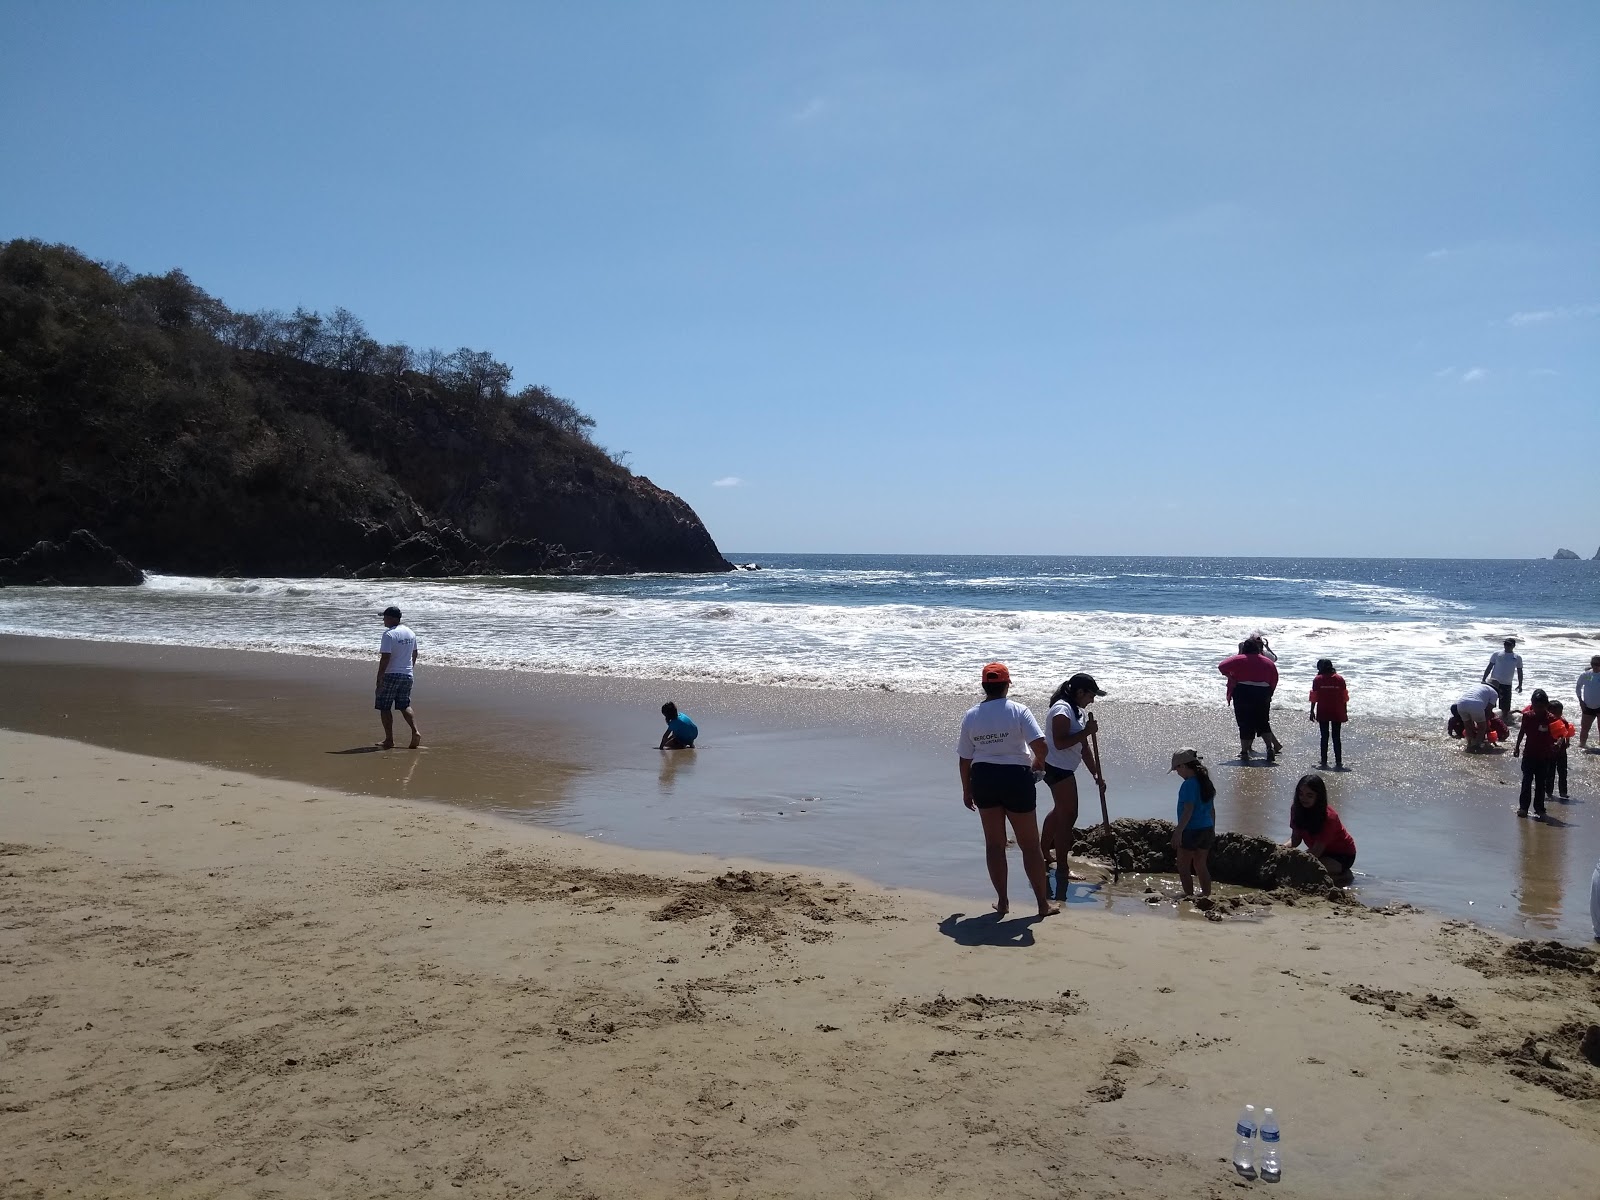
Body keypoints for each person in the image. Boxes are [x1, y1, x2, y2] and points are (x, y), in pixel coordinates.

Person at [957, 663, 1058, 918]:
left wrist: (966, 790)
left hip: (984, 777)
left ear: (984, 686)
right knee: (1029, 845)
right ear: (1007, 685)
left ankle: (1003, 903)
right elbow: (1041, 745)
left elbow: (964, 759)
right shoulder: (1018, 710)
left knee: (994, 844)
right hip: (1015, 777)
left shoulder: (972, 715)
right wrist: (1038, 764)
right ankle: (1042, 905)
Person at [1039, 672, 1106, 900]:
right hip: (1055, 767)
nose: (1092, 700)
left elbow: (1083, 747)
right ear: (1079, 692)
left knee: (1061, 811)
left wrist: (1096, 774)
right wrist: (1087, 731)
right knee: (1068, 816)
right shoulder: (1061, 710)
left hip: (1062, 767)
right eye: (1091, 695)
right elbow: (1059, 743)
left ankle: (1044, 853)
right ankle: (1062, 869)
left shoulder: (1075, 710)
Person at [1286, 774, 1357, 885]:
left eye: (1309, 795)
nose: (1303, 798)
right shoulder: (1296, 809)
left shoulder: (1329, 817)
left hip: (1341, 854)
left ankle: (1343, 876)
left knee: (1307, 870)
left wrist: (1296, 862)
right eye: (1301, 794)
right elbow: (1295, 839)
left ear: (1318, 797)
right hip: (1318, 850)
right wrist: (1280, 850)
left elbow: (1316, 852)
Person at [1218, 637, 1280, 762]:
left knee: (1244, 722)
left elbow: (1221, 666)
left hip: (1243, 691)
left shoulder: (1239, 659)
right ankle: (1269, 748)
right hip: (1263, 692)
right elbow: (1274, 679)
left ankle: (1244, 752)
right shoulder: (1267, 662)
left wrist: (1231, 676)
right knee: (1263, 722)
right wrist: (1270, 693)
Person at [1169, 748, 1216, 900]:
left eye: (1177, 769)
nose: (1177, 773)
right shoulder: (1206, 782)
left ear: (1183, 766)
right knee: (1200, 864)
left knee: (1183, 865)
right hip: (1207, 828)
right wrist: (1213, 829)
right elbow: (1212, 810)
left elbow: (1188, 809)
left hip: (1191, 830)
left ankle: (1188, 894)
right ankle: (1206, 894)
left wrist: (1178, 832)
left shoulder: (1189, 784)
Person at [375, 605, 421, 749]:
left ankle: (389, 740)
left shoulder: (389, 634)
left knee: (384, 707)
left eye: (385, 617)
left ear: (391, 618)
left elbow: (385, 658)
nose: (383, 620)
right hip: (407, 675)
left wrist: (379, 678)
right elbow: (415, 653)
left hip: (391, 674)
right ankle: (415, 731)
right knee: (404, 705)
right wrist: (409, 669)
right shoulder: (410, 632)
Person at [1512, 689, 1558, 818]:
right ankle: (1523, 808)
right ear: (1532, 704)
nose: (1539, 709)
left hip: (1544, 756)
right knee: (1526, 781)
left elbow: (1560, 735)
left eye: (1542, 706)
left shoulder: (1551, 719)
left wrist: (1558, 743)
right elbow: (1522, 732)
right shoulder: (1527, 716)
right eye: (1536, 706)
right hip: (1529, 754)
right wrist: (1516, 747)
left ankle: (1539, 809)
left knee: (1540, 783)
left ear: (1546, 705)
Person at [1307, 658, 1349, 770]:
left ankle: (1324, 761)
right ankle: (1338, 761)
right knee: (1336, 736)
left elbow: (1314, 697)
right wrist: (1345, 711)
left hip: (1323, 710)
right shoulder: (1340, 679)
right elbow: (1344, 696)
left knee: (1324, 736)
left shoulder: (1317, 679)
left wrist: (1311, 711)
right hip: (1337, 710)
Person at [1482, 637, 1523, 724]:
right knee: (1489, 704)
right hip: (1493, 683)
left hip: (1507, 684)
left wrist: (1520, 684)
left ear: (1513, 646)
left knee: (1505, 707)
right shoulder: (1497, 654)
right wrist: (1484, 678)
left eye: (1509, 644)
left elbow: (1520, 671)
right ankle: (1487, 721)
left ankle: (1503, 722)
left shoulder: (1517, 657)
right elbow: (1490, 666)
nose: (1506, 646)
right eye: (1505, 644)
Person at [1454, 682, 1500, 751]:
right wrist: (1486, 726)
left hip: (1461, 703)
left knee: (1468, 726)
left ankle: (1469, 743)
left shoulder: (1478, 687)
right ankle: (1476, 745)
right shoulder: (1494, 693)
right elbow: (1488, 710)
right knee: (1482, 727)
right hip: (1475, 704)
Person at [1546, 701, 1573, 800]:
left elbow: (1566, 732)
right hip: (1550, 751)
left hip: (1561, 751)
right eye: (1554, 712)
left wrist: (1567, 742)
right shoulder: (1548, 721)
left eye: (1560, 712)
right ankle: (1548, 791)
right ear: (1549, 712)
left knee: (1562, 772)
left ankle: (1563, 792)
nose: (1558, 714)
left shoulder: (1563, 721)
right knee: (1550, 772)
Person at [1577, 655, 1600, 750]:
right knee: (1585, 728)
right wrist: (1580, 701)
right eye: (1593, 664)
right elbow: (1578, 687)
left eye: (1598, 664)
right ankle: (1582, 745)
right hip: (1587, 706)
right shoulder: (1586, 675)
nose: (1595, 666)